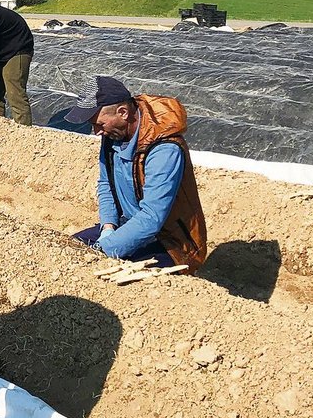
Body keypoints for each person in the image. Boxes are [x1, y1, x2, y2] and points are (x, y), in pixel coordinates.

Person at [64, 76, 207, 272]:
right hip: (128, 224)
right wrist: (108, 227)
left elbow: (152, 217)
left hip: (169, 242)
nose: (96, 131)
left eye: (99, 124)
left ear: (122, 112)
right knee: (69, 249)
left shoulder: (164, 149)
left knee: (99, 271)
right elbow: (106, 183)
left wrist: (103, 249)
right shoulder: (114, 133)